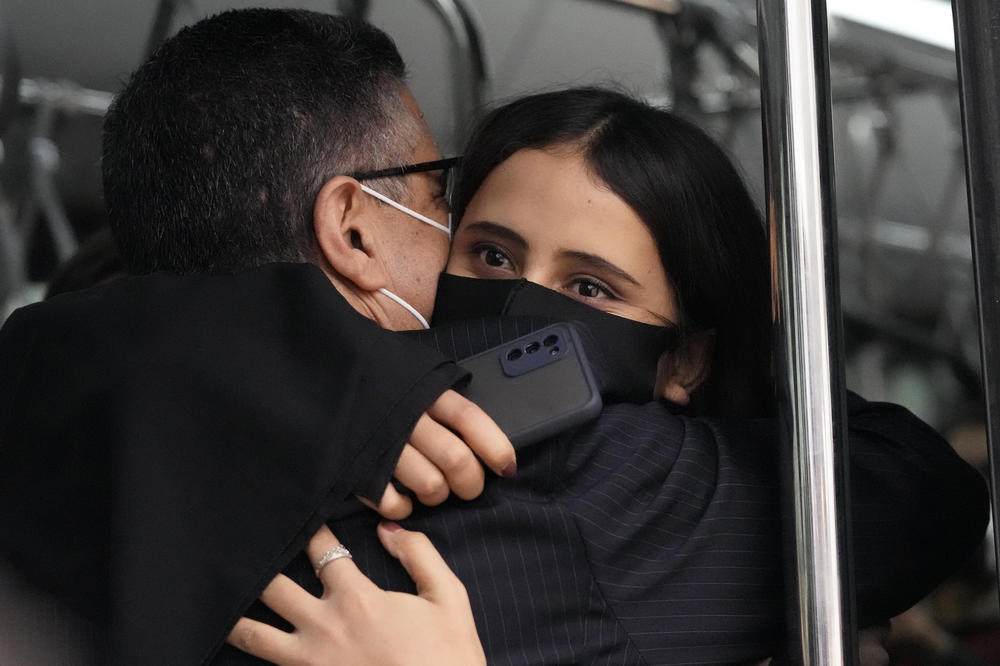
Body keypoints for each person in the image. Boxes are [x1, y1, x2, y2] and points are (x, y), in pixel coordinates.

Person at [220, 88, 989, 665]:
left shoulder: (263, 402)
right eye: (493, 256)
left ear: (686, 353)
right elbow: (930, 493)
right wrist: (761, 352)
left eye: (590, 288)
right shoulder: (618, 473)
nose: (521, 305)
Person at [0, 10, 517, 664]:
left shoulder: (49, 436)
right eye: (439, 194)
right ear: (352, 230)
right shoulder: (468, 536)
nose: (455, 234)